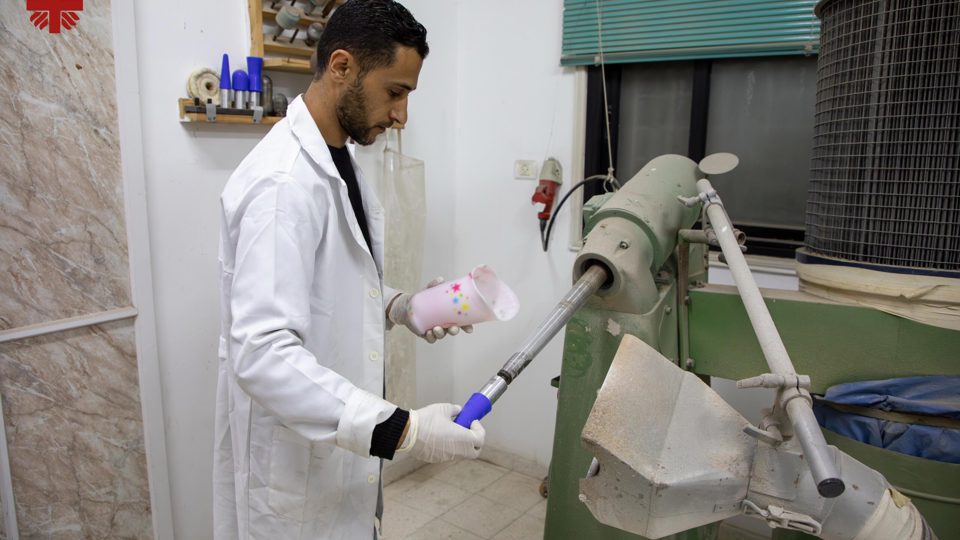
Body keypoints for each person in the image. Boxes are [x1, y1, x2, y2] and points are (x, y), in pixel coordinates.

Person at [212, 1, 485, 538]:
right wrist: (403, 430)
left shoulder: (342, 159)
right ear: (342, 67)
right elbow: (261, 352)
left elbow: (328, 283)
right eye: (395, 92)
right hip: (293, 473)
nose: (402, 115)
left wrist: (399, 305)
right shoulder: (283, 184)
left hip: (336, 456)